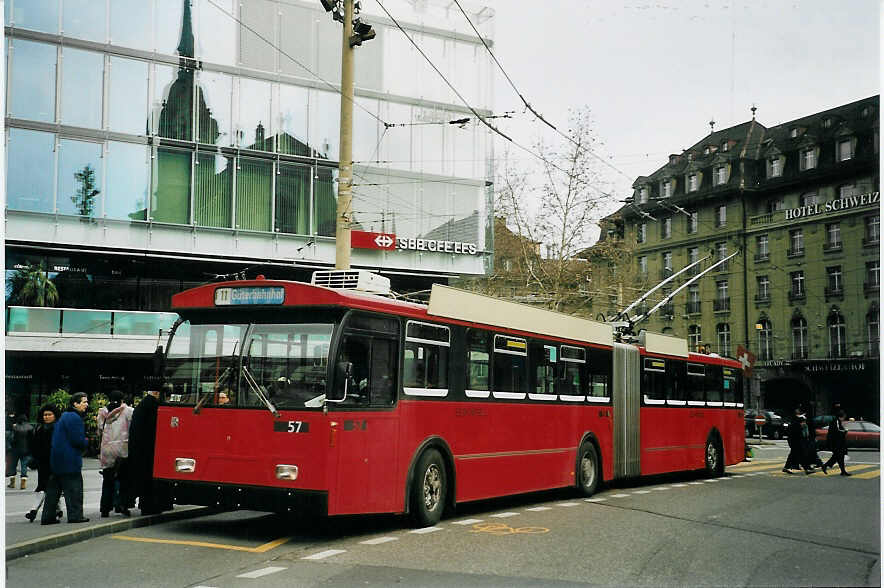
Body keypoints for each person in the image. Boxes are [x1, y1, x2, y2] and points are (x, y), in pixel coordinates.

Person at [42, 393, 90, 524]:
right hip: (70, 460)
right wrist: (87, 441)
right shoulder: (75, 418)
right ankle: (75, 516)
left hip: (56, 459)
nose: (87, 404)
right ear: (75, 403)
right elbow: (77, 440)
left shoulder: (63, 416)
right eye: (84, 402)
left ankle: (48, 517)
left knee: (53, 491)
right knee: (74, 490)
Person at [129, 389, 170, 515]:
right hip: (149, 449)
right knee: (150, 479)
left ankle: (145, 504)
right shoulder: (154, 406)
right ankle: (151, 506)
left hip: (139, 448)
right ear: (158, 393)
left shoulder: (142, 405)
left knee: (144, 478)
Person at [98, 390, 134, 517]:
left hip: (106, 449)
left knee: (107, 480)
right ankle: (121, 504)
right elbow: (132, 427)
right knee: (124, 479)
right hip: (122, 449)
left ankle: (104, 508)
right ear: (122, 400)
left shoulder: (102, 412)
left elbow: (99, 429)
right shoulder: (127, 411)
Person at [25, 404, 62, 522]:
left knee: (50, 486)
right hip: (42, 462)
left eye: (49, 414)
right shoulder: (39, 429)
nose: (46, 417)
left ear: (55, 416)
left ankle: (35, 509)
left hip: (54, 462)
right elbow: (34, 445)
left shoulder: (58, 428)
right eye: (45, 414)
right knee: (46, 486)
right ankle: (53, 509)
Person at [8, 413, 34, 489]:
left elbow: (12, 439)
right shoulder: (30, 427)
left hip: (15, 450)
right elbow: (32, 440)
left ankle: (12, 483)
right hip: (26, 450)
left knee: (13, 466)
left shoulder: (15, 427)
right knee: (24, 466)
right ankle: (23, 484)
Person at [824, 410, 851, 476]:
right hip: (836, 443)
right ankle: (825, 466)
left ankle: (843, 471)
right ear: (840, 416)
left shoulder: (837, 421)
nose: (844, 418)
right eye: (843, 416)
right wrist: (845, 431)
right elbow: (837, 431)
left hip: (837, 443)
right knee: (838, 456)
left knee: (839, 457)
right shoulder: (836, 422)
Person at [782, 407, 803, 473]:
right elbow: (796, 430)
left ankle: (795, 465)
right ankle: (786, 467)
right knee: (793, 453)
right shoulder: (795, 420)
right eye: (797, 412)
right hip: (794, 439)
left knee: (797, 452)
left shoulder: (795, 420)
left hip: (794, 439)